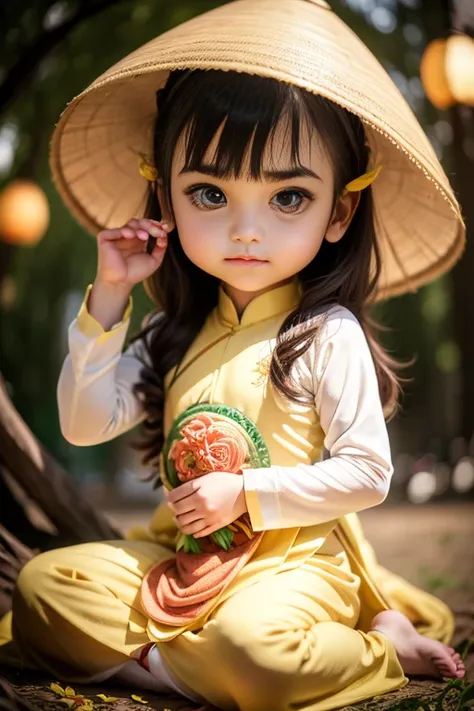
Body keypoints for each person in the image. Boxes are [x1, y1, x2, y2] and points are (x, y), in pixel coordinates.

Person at [0, 1, 467, 709]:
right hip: (185, 561)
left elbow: (369, 473)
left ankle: (378, 645)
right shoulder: (170, 332)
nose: (245, 231)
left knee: (254, 648)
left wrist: (246, 494)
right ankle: (195, 667)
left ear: (338, 212)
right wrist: (108, 300)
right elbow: (83, 424)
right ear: (166, 193)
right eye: (210, 193)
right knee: (41, 587)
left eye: (288, 197)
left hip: (297, 565)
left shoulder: (324, 332)